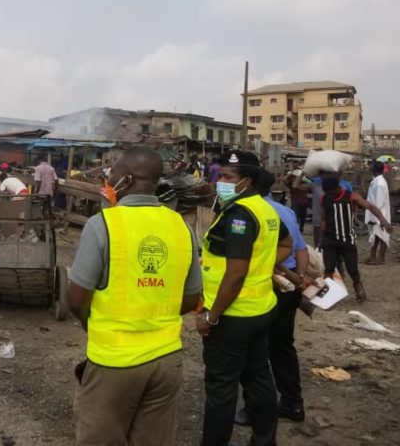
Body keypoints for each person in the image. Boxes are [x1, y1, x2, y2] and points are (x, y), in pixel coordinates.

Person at [68, 146, 201, 446]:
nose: (108, 179)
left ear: (126, 180)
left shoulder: (103, 224)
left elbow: (76, 299)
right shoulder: (180, 226)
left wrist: (91, 323)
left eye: (112, 173)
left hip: (114, 362)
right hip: (166, 360)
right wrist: (155, 306)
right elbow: (192, 298)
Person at [197, 151, 292, 446]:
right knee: (258, 376)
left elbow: (236, 274)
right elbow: (286, 243)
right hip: (260, 309)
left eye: (228, 177)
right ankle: (264, 440)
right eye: (221, 175)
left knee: (221, 387)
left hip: (232, 315)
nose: (221, 182)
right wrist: (260, 266)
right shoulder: (264, 208)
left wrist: (211, 316)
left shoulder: (239, 214)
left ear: (246, 181)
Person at [236, 170, 310, 427]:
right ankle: (292, 403)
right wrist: (299, 278)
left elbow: (248, 258)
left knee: (254, 351)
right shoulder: (285, 211)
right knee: (282, 346)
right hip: (288, 287)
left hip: (264, 286)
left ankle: (255, 409)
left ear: (248, 184)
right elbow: (301, 248)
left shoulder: (249, 213)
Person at [320, 177, 391, 302]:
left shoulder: (351, 196)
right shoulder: (324, 198)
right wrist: (322, 238)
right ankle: (328, 297)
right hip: (329, 239)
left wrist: (383, 220)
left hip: (347, 239)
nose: (329, 195)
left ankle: (358, 286)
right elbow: (323, 219)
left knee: (352, 269)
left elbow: (370, 206)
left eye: (331, 192)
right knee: (329, 269)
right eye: (327, 193)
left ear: (338, 188)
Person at [365, 161, 392, 265]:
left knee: (382, 235)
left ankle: (381, 258)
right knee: (375, 234)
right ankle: (372, 256)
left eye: (371, 166)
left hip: (380, 213)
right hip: (375, 213)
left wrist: (380, 218)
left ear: (375, 169)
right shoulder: (376, 181)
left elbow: (379, 202)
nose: (369, 167)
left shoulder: (379, 183)